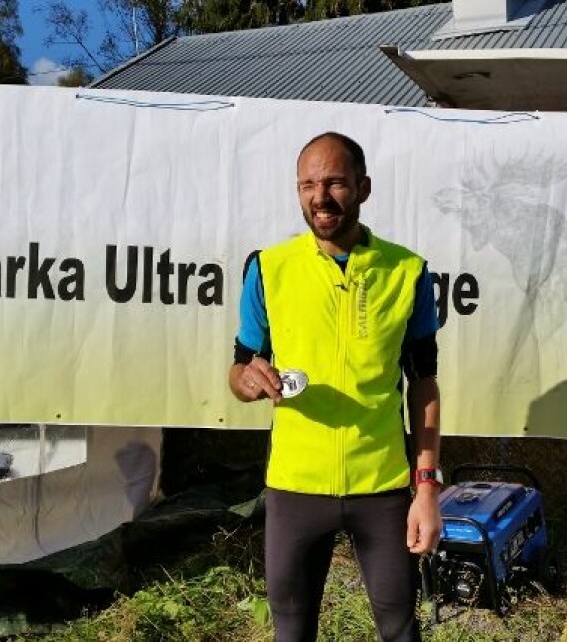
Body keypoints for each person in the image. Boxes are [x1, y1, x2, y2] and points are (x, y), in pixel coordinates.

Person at [228, 132, 442, 642]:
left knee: (400, 630)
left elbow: (424, 385)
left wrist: (427, 487)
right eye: (307, 184)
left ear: (363, 187)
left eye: (335, 183)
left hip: (383, 487)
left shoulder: (408, 272)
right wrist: (248, 380)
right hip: (294, 487)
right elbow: (238, 371)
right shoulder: (268, 269)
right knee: (292, 631)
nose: (320, 197)